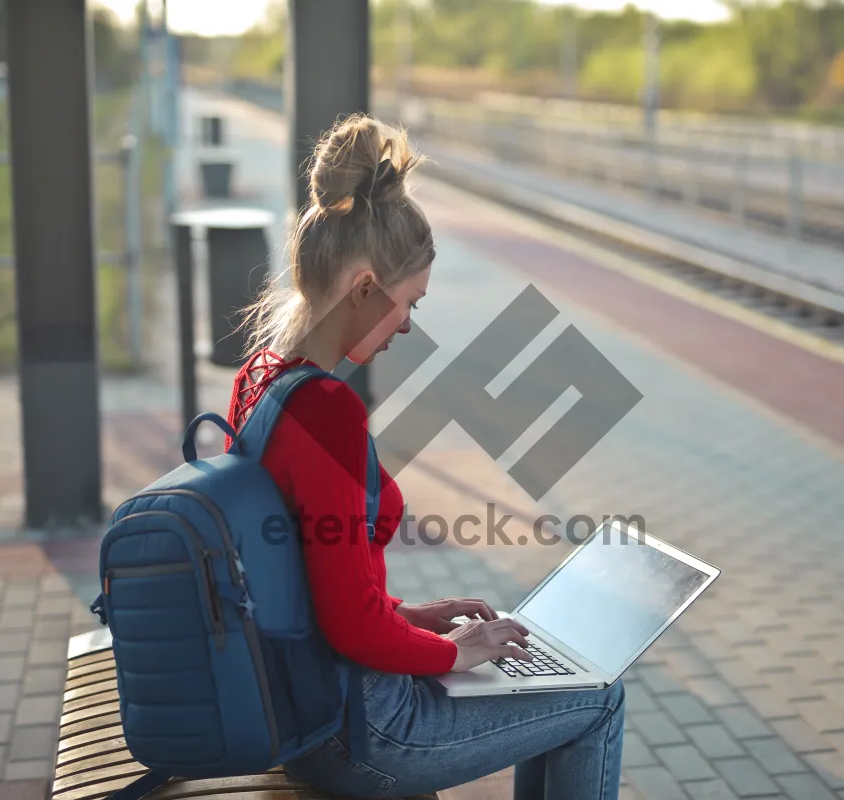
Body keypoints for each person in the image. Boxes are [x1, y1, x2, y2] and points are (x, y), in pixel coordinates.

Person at [224, 113, 625, 800]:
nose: (408, 324)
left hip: (315, 709)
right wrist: (454, 653)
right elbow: (350, 625)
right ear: (364, 288)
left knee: (556, 684)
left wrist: (412, 618)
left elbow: (317, 586)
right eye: (407, 302)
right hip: (366, 732)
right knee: (599, 700)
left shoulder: (259, 380)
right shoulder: (326, 412)